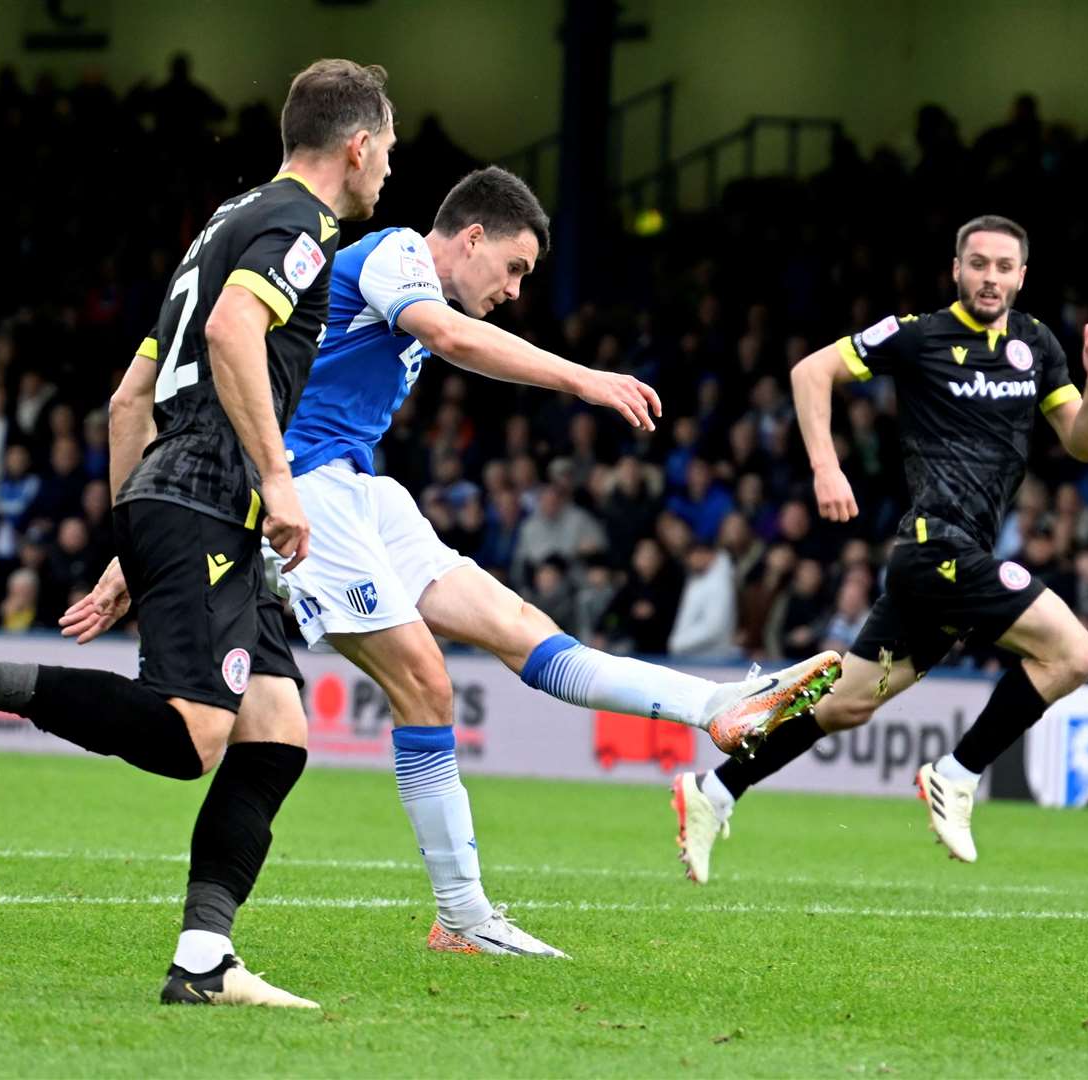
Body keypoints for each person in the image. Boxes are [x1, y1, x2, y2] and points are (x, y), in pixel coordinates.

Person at [0, 59, 394, 1009]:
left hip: (184, 500)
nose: (388, 174)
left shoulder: (226, 221)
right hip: (216, 497)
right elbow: (229, 333)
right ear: (358, 144)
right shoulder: (302, 228)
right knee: (191, 736)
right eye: (389, 152)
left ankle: (204, 961)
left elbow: (128, 398)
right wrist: (277, 477)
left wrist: (133, 542)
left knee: (278, 732)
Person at [266, 168, 841, 955]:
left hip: (362, 491)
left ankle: (711, 708)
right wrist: (583, 378)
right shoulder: (395, 251)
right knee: (425, 683)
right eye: (513, 267)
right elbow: (452, 337)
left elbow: (448, 338)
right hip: (305, 491)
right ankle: (463, 918)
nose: (513, 290)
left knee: (522, 629)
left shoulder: (413, 292)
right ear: (470, 237)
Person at [673, 214, 1088, 880]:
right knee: (1073, 653)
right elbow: (809, 372)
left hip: (946, 562)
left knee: (846, 704)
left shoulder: (1037, 345)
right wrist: (825, 466)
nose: (989, 277)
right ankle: (956, 773)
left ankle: (713, 790)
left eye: (1002, 267)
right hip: (933, 545)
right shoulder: (917, 335)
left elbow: (1083, 446)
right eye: (977, 263)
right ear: (955, 268)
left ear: (1021, 277)